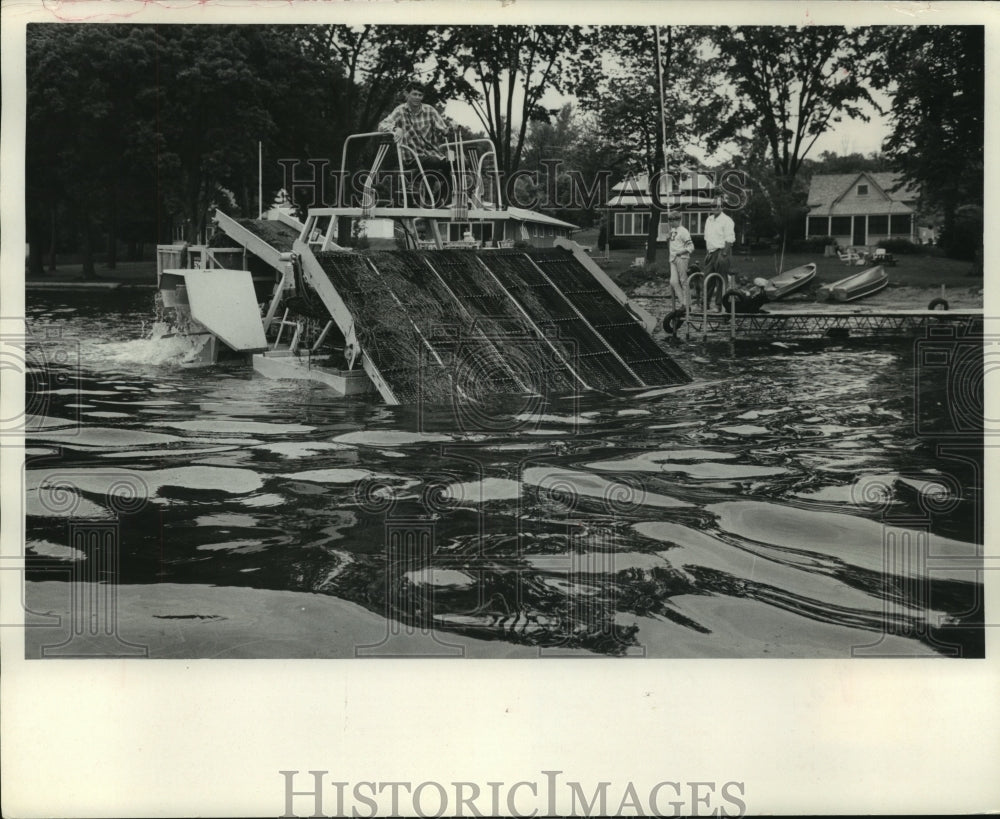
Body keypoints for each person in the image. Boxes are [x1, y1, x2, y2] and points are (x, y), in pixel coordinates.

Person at [378, 80, 453, 206]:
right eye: (414, 94)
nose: (417, 98)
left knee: (456, 162)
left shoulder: (429, 110)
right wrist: (396, 129)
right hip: (411, 157)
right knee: (434, 162)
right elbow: (382, 125)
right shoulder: (400, 110)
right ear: (406, 94)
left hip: (432, 154)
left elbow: (443, 129)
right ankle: (427, 196)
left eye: (420, 95)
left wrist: (450, 129)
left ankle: (443, 198)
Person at [702, 198, 736, 310]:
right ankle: (705, 304)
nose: (716, 208)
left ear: (722, 207)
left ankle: (719, 304)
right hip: (711, 252)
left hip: (722, 251)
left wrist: (724, 254)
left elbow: (730, 239)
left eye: (718, 205)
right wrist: (708, 252)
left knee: (721, 279)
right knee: (708, 278)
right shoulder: (709, 220)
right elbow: (707, 238)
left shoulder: (727, 220)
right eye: (713, 206)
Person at [667, 212, 694, 309]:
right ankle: (684, 303)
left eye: (673, 220)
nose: (671, 222)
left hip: (681, 258)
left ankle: (687, 303)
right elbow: (671, 245)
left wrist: (680, 252)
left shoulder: (684, 231)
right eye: (670, 220)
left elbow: (691, 247)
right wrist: (668, 238)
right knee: (673, 281)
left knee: (683, 280)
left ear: (679, 220)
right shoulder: (672, 230)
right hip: (672, 258)